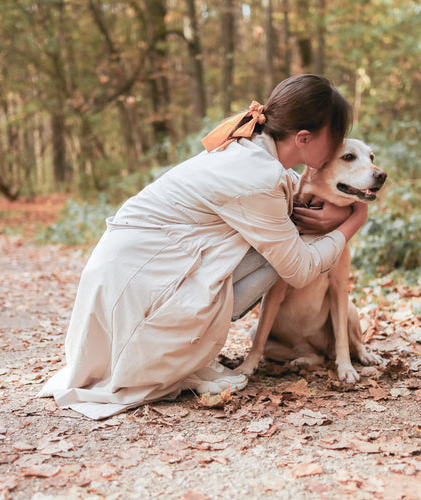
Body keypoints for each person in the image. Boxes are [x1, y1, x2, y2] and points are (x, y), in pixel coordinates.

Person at [38, 74, 367, 419]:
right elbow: (299, 270)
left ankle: (187, 349)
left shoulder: (248, 150)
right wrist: (354, 219)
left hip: (126, 279)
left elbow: (288, 199)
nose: (336, 148)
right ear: (303, 138)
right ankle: (174, 355)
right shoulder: (258, 176)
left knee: (280, 238)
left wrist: (330, 213)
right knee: (283, 253)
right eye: (336, 139)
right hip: (137, 294)